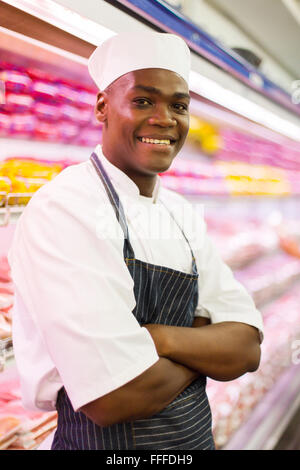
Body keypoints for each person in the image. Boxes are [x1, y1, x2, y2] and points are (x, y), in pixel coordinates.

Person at [9, 31, 263, 450]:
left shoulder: (180, 213)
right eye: (144, 100)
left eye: (178, 105)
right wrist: (202, 345)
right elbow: (115, 396)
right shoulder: (65, 209)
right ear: (102, 107)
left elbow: (248, 347)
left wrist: (158, 339)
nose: (165, 118)